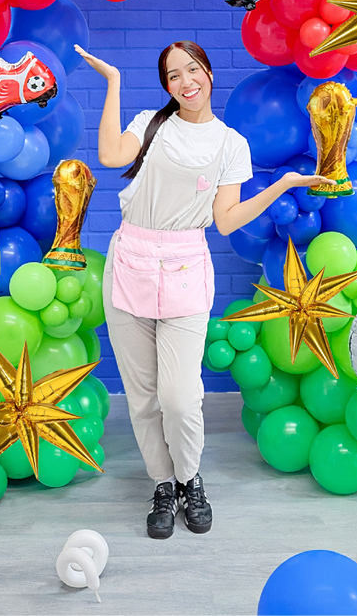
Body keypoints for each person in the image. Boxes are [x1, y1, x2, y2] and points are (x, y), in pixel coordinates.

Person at [75, 40, 334, 540]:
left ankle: (191, 477)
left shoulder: (230, 143)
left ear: (208, 72)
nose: (185, 82)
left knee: (178, 396)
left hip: (185, 268)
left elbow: (225, 219)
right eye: (173, 75)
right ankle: (163, 484)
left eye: (191, 69)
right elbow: (109, 155)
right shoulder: (150, 124)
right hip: (130, 261)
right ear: (166, 86)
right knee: (144, 396)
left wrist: (281, 187)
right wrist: (113, 82)